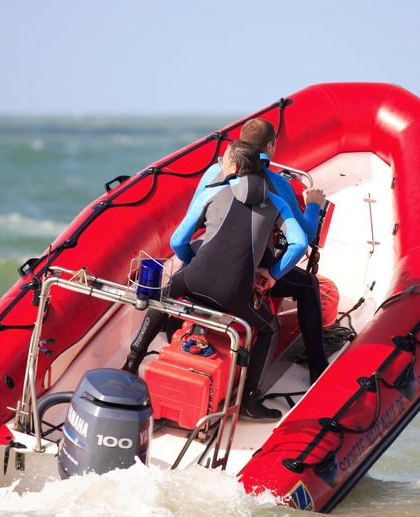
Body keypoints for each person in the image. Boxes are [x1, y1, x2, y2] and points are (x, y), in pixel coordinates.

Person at [122, 140, 307, 420]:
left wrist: (193, 263)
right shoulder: (277, 202)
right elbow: (298, 244)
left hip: (194, 282)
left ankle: (131, 363)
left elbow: (177, 241)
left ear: (232, 167)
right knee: (270, 328)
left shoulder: (214, 191)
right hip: (235, 297)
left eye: (224, 160)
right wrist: (273, 273)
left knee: (163, 296)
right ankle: (249, 401)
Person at [186, 118, 330, 383]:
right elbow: (304, 237)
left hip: (204, 264)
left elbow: (192, 220)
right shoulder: (278, 186)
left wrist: (191, 260)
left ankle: (164, 333)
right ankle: (317, 367)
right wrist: (313, 205)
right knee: (308, 284)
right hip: (247, 273)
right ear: (271, 146)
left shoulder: (212, 174)